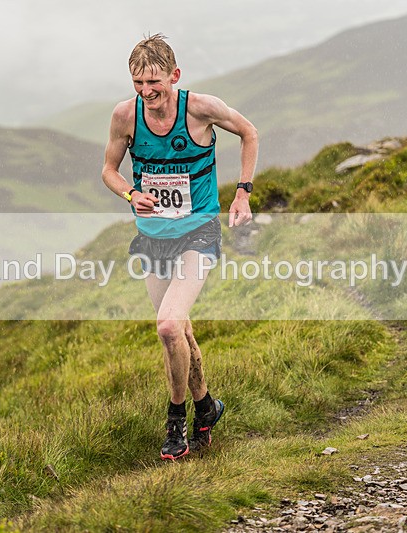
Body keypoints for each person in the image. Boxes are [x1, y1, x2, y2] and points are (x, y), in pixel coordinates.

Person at [102, 34, 258, 460]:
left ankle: (176, 422)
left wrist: (242, 192)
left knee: (169, 325)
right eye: (138, 83)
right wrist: (131, 195)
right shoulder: (125, 116)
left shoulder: (201, 108)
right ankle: (207, 407)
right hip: (153, 238)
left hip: (198, 232)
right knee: (180, 332)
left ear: (174, 75)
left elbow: (248, 132)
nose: (147, 92)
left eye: (154, 82)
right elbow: (109, 171)